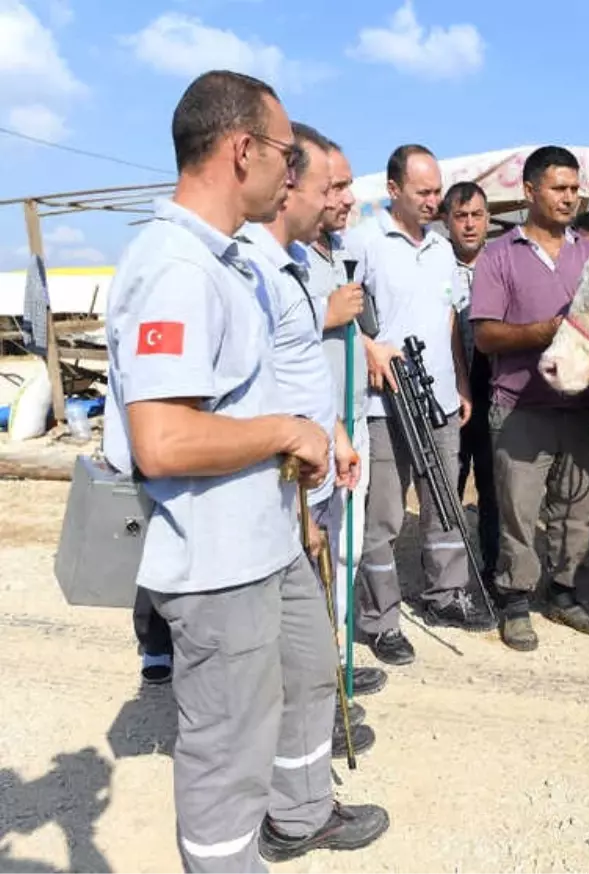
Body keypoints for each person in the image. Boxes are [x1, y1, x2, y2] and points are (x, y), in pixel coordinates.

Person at [101, 69, 388, 871]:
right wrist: (286, 432)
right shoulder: (178, 268)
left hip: (262, 539)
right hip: (216, 558)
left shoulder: (224, 263)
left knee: (298, 675)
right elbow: (161, 440)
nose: (290, 171)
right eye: (285, 152)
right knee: (226, 754)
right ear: (241, 151)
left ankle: (299, 816)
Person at [239, 121, 377, 760]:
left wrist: (338, 432)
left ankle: (324, 703)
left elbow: (301, 371)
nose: (337, 200)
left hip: (324, 453)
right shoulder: (251, 268)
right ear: (289, 183)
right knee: (292, 614)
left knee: (329, 582)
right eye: (331, 186)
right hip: (284, 475)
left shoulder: (301, 260)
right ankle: (302, 743)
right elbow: (261, 376)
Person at [349, 143, 494, 667]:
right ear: (394, 190)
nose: (435, 201)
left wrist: (460, 381)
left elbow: (450, 320)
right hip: (385, 404)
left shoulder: (438, 249)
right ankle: (381, 620)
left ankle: (446, 595)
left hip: (439, 398)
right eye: (424, 191)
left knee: (445, 505)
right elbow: (342, 312)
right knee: (384, 516)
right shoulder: (364, 242)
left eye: (437, 190)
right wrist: (367, 348)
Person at [471, 145, 589, 651]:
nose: (569, 198)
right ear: (530, 191)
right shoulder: (498, 255)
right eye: (559, 188)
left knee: (578, 509)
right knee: (519, 510)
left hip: (579, 408)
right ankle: (515, 600)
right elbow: (486, 336)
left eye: (574, 189)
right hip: (519, 406)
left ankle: (566, 592)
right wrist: (547, 331)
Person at [306, 137, 390, 698]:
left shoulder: (335, 251)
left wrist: (366, 341)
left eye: (347, 185)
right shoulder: (281, 257)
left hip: (347, 420)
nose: (346, 197)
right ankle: (316, 678)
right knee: (309, 554)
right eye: (334, 186)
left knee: (345, 550)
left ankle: (333, 660)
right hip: (307, 431)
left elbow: (348, 325)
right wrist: (324, 313)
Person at [442, 181, 500, 585]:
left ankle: (494, 571)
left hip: (495, 390)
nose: (468, 225)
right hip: (446, 393)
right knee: (448, 485)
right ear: (447, 220)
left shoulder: (502, 263)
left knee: (494, 489)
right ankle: (448, 577)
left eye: (476, 215)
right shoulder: (432, 263)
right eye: (460, 216)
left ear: (488, 219)